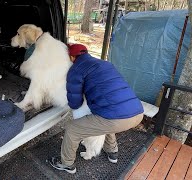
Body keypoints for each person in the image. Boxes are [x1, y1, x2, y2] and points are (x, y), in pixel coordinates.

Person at [49, 44, 144, 174]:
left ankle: (67, 164)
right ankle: (112, 153)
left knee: (72, 129)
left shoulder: (76, 70)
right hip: (138, 113)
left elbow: (75, 103)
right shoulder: (105, 64)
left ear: (71, 57)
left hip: (116, 119)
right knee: (108, 117)